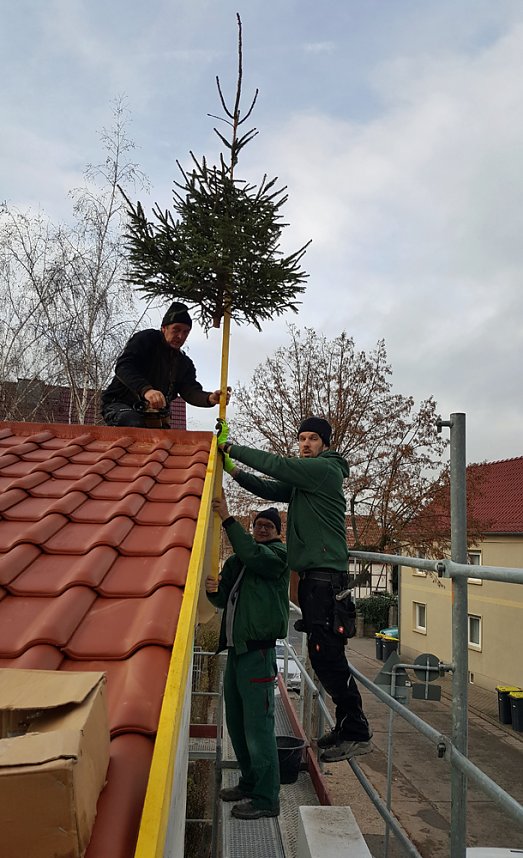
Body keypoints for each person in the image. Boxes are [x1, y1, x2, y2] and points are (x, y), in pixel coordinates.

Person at [219, 416, 372, 763]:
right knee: (322, 654)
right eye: (301, 438)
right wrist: (233, 471)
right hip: (313, 579)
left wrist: (233, 448)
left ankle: (358, 731)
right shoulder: (306, 481)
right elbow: (271, 488)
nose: (305, 444)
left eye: (313, 439)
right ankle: (349, 724)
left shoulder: (324, 471)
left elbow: (278, 465)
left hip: (324, 579)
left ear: (325, 445)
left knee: (328, 654)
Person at [206, 497, 289, 820]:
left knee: (259, 728)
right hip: (237, 652)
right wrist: (212, 588)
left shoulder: (277, 556)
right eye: (258, 525)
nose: (262, 529)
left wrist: (227, 519)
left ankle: (268, 798)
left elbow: (256, 556)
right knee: (238, 726)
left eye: (268, 526)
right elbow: (223, 596)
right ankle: (250, 782)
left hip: (259, 652)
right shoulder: (239, 560)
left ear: (277, 532)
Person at [101, 301, 230, 427]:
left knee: (165, 442)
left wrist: (209, 398)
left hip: (154, 414)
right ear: (164, 328)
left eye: (186, 332)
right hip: (118, 404)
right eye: (176, 330)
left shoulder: (184, 364)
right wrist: (146, 390)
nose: (180, 336)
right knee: (134, 422)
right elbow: (124, 367)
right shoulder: (146, 340)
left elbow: (190, 391)